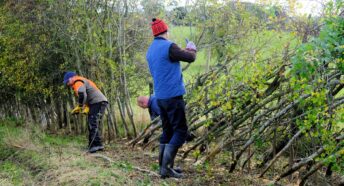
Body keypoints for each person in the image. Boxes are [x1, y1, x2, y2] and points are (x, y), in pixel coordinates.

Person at [146, 18, 197, 178]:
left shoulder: (150, 50)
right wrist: (191, 47)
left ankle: (164, 167)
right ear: (165, 31)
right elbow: (190, 57)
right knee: (181, 131)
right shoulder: (169, 46)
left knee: (167, 131)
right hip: (173, 96)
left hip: (160, 97)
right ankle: (166, 168)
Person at [63, 71, 108, 153]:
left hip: (98, 102)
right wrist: (85, 106)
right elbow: (86, 95)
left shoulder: (77, 81)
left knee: (93, 122)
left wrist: (80, 106)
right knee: (92, 123)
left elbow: (82, 94)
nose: (68, 84)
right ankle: (94, 145)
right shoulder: (80, 81)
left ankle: (96, 145)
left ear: (72, 77)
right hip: (95, 103)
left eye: (67, 81)